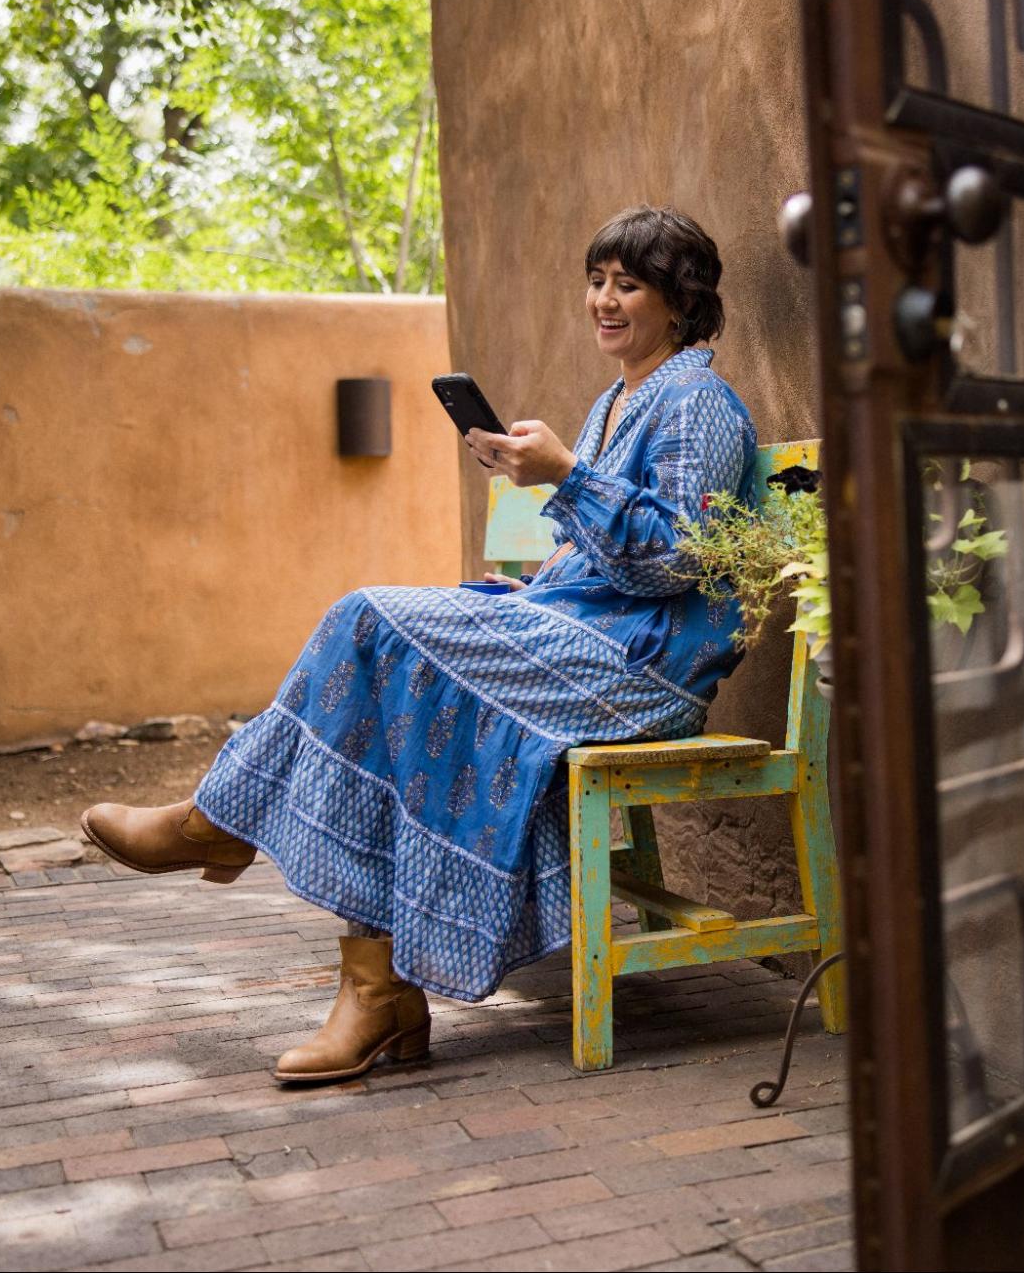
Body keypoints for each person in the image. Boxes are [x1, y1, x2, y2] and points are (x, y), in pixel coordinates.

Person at [81, 205, 756, 1083]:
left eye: (628, 284)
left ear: (680, 300)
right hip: (580, 637)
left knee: (371, 616)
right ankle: (376, 988)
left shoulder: (697, 400)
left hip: (637, 668)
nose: (604, 300)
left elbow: (677, 560)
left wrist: (564, 477)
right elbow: (596, 555)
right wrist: (538, 546)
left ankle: (223, 826)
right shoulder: (618, 399)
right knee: (397, 669)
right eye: (596, 281)